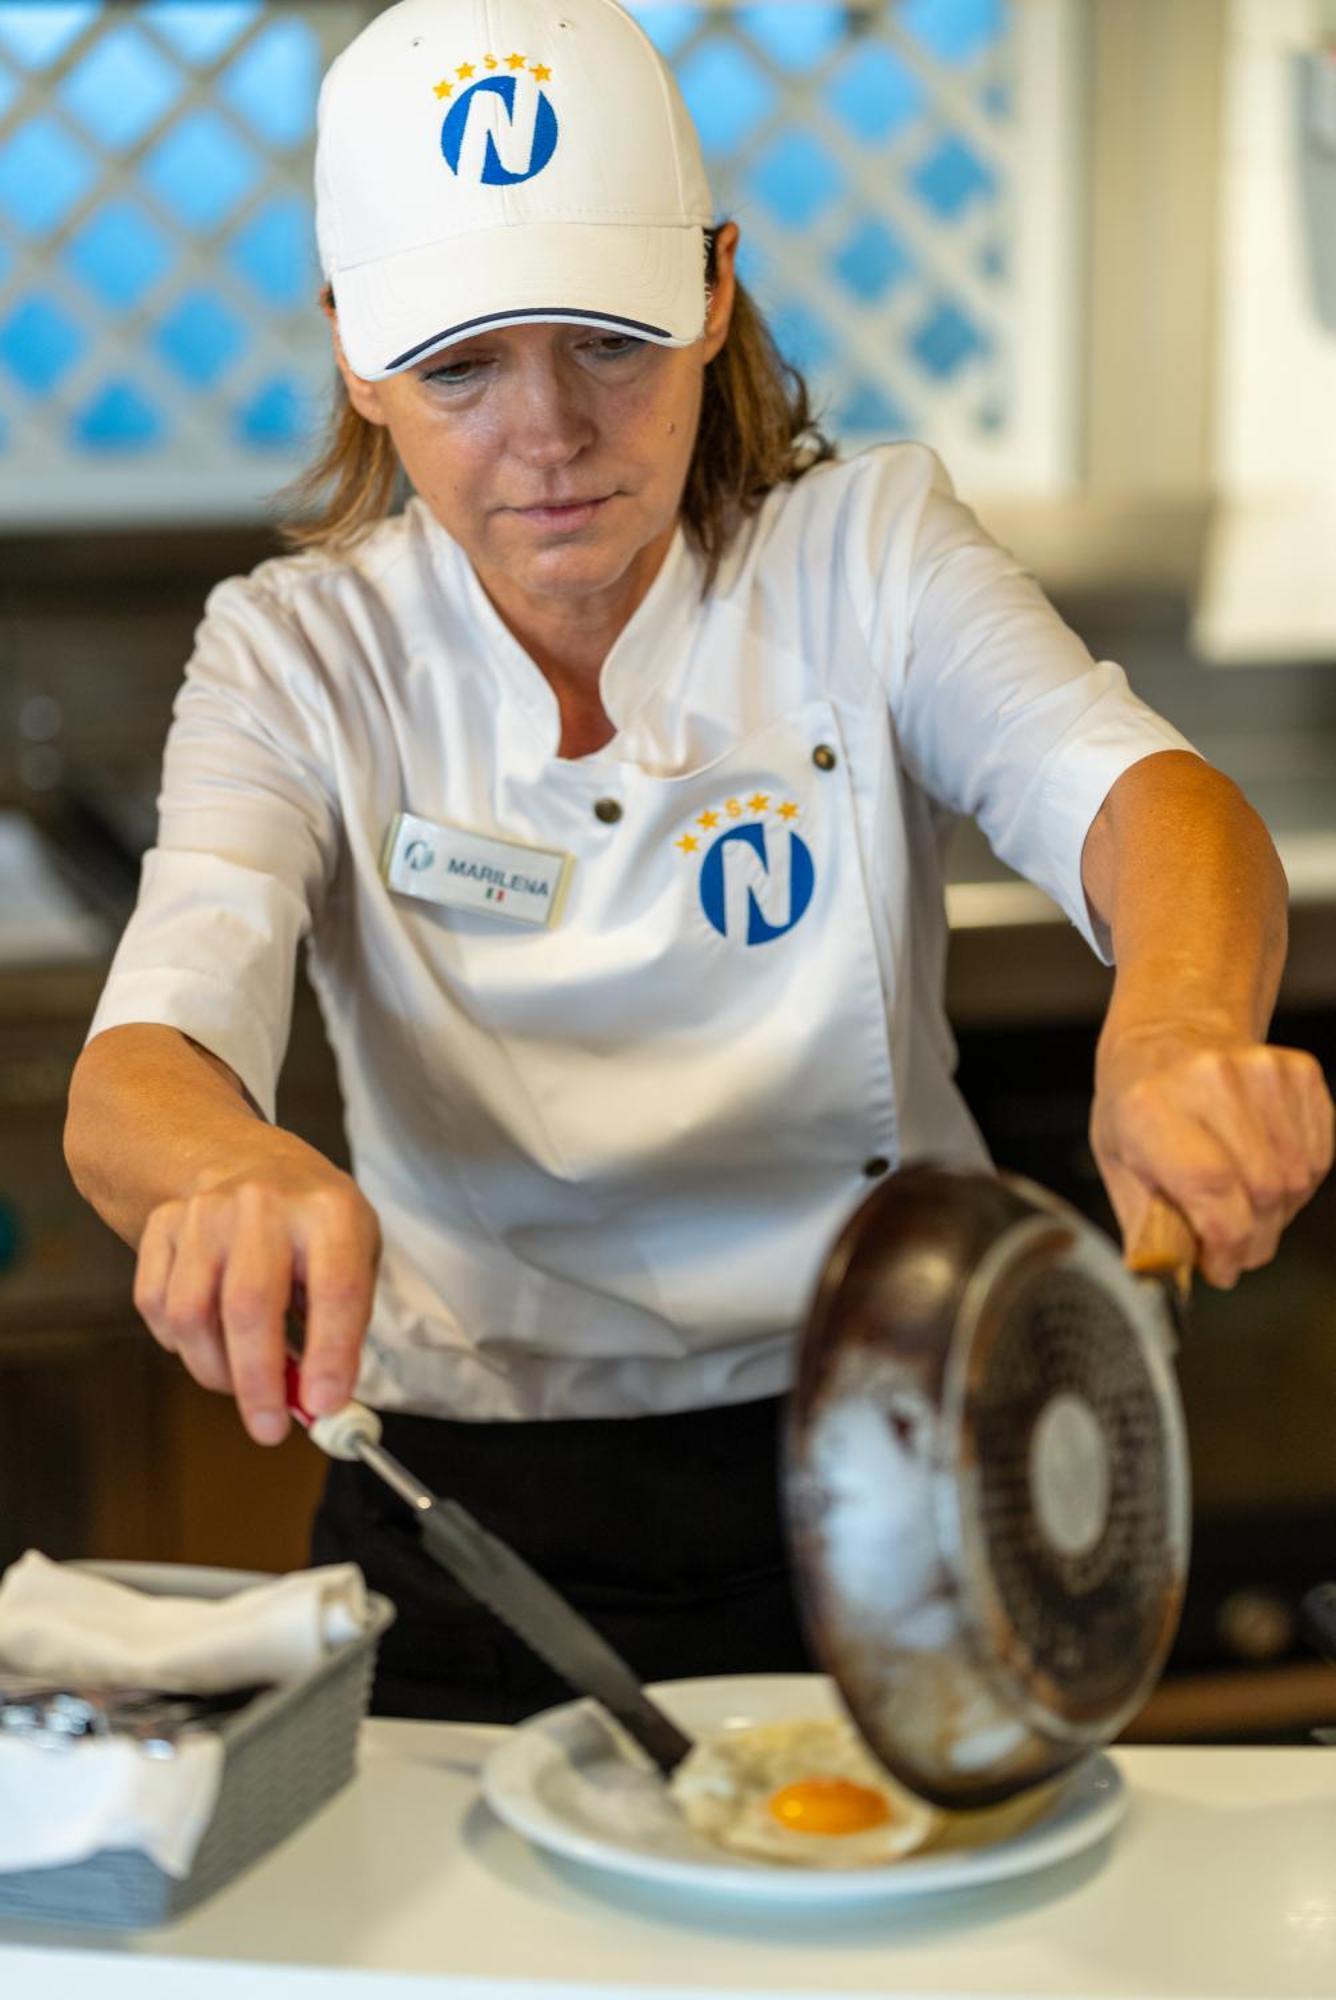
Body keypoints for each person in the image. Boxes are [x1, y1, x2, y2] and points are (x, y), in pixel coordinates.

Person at [65, 0, 1332, 1723]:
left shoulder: (863, 554)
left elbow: (1144, 801)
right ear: (356, 347)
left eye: (608, 341)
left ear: (715, 285)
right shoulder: (298, 653)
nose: (552, 435)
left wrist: (1178, 1023)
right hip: (470, 1481)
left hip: (896, 1437)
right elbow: (153, 1045)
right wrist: (226, 1172)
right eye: (461, 367)